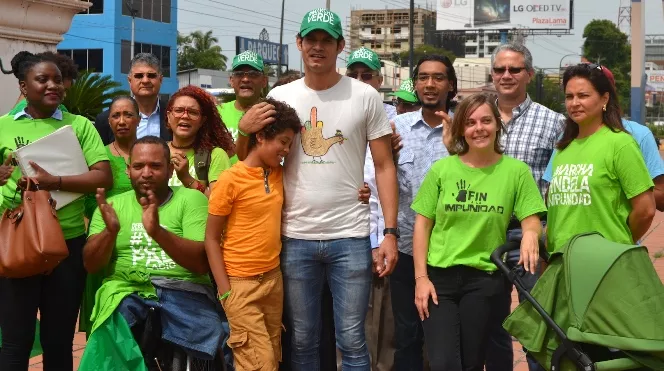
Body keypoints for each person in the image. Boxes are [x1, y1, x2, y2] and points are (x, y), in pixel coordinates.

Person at [236, 8, 399, 371]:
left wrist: (389, 233)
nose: (319, 47)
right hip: (295, 235)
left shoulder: (365, 96)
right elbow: (252, 160)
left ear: (341, 46)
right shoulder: (281, 95)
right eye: (312, 39)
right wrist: (244, 131)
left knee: (354, 341)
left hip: (351, 236)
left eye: (327, 40)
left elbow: (385, 166)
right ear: (300, 43)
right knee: (302, 340)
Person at [412, 93, 545, 371]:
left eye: (486, 120)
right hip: (439, 280)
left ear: (497, 124)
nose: (479, 128)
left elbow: (531, 218)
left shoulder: (515, 172)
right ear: (461, 129)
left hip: (485, 280)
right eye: (470, 122)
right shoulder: (442, 170)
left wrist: (531, 234)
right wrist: (421, 278)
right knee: (444, 362)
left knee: (472, 363)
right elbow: (423, 225)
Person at [0, 51, 112, 371]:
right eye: (42, 79)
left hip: (67, 244)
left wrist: (55, 181)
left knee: (59, 341)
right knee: (15, 341)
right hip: (17, 241)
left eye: (57, 80)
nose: (53, 85)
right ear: (23, 87)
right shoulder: (3, 127)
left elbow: (102, 176)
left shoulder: (81, 126)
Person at [81, 136, 223, 366]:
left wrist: (157, 232)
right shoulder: (113, 206)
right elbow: (92, 265)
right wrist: (110, 232)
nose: (146, 173)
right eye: (138, 166)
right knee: (110, 333)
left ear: (169, 170)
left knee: (212, 338)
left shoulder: (191, 199)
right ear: (128, 171)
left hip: (185, 291)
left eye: (155, 166)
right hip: (127, 291)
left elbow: (200, 263)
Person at [483, 43, 565, 371]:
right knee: (491, 324)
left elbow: (559, 182)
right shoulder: (477, 117)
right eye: (500, 69)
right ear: (492, 74)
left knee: (537, 322)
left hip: (531, 234)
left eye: (514, 69)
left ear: (529, 74)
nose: (507, 76)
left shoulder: (554, 122)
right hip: (484, 231)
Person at [205, 98, 301, 371]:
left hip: (273, 281)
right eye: (283, 141)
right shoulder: (230, 180)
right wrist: (226, 294)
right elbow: (211, 239)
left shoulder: (278, 173)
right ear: (261, 137)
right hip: (240, 286)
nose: (287, 149)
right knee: (260, 365)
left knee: (272, 357)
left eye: (290, 144)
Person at [544, 63, 655, 254]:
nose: (574, 103)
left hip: (604, 264)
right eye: (569, 97)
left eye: (583, 95)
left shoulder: (620, 144)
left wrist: (617, 247)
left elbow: (645, 210)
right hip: (562, 262)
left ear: (604, 98)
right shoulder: (563, 148)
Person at [391, 54, 458, 371]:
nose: (430, 84)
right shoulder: (397, 128)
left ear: (451, 85)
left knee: (449, 342)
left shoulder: (467, 128)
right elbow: (381, 180)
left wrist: (457, 147)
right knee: (407, 338)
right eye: (423, 77)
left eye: (439, 77)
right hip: (405, 247)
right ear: (415, 83)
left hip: (451, 250)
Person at [346, 46, 398, 371]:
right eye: (354, 75)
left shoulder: (397, 123)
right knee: (350, 329)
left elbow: (387, 179)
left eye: (367, 75)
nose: (361, 81)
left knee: (385, 329)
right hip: (346, 237)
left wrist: (383, 237)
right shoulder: (336, 117)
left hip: (384, 238)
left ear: (380, 80)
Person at [80, 95, 140, 336]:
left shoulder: (151, 152)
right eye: (116, 115)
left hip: (140, 240)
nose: (122, 120)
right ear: (109, 121)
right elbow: (86, 202)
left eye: (128, 115)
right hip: (105, 239)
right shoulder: (98, 158)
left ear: (138, 119)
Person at [166, 85, 235, 195]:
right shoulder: (156, 152)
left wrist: (186, 178)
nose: (185, 116)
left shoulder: (215, 155)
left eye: (193, 112)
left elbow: (218, 202)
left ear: (202, 121)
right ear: (169, 116)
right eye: (179, 110)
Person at [95, 53, 172, 145]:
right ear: (129, 80)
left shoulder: (173, 116)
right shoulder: (105, 120)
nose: (145, 81)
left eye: (151, 75)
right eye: (139, 76)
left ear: (161, 79)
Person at [217, 50, 268, 164]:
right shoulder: (216, 113)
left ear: (264, 81)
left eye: (253, 74)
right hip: (222, 181)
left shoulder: (272, 113)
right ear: (231, 81)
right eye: (239, 74)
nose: (245, 79)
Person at [9, 51, 78, 115]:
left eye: (65, 91)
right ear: (23, 86)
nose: (64, 95)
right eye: (42, 79)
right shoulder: (60, 110)